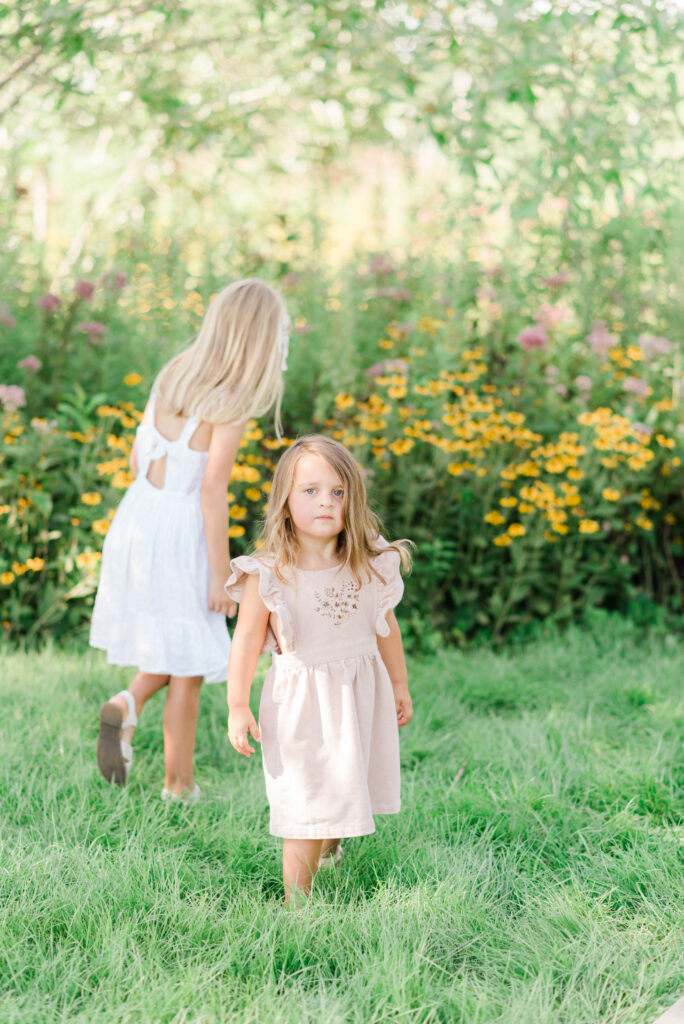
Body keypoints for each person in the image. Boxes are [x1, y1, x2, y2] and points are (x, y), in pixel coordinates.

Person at [91, 278, 289, 802]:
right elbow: (211, 490)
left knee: (173, 644)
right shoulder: (230, 402)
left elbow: (137, 460)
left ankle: (127, 704)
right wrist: (223, 574)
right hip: (182, 531)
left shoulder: (173, 375)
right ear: (260, 341)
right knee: (190, 666)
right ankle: (178, 785)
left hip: (138, 517)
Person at [224, 435, 413, 905]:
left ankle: (331, 848)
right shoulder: (267, 573)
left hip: (357, 696)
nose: (325, 502)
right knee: (306, 802)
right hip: (301, 705)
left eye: (337, 492)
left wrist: (399, 684)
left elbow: (385, 627)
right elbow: (246, 641)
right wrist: (236, 705)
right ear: (285, 502)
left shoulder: (369, 565)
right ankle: (297, 903)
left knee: (348, 782)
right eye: (310, 491)